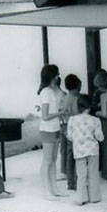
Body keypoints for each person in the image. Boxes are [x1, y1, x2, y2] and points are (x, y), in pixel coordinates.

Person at [37, 64, 69, 200]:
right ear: (52, 76)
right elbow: (44, 116)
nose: (58, 77)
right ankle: (46, 191)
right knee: (47, 160)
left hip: (55, 128)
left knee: (53, 160)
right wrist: (59, 113)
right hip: (47, 129)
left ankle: (54, 189)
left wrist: (59, 113)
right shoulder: (46, 92)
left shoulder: (51, 91)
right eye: (56, 74)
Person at [67, 94, 104, 205]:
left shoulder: (72, 119)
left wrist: (78, 140)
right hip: (92, 150)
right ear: (90, 106)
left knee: (81, 174)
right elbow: (99, 137)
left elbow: (69, 136)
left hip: (79, 150)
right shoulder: (96, 120)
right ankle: (94, 197)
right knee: (93, 173)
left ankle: (81, 198)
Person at [61, 74, 82, 191]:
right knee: (80, 155)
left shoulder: (65, 98)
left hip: (68, 128)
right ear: (79, 85)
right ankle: (80, 179)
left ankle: (71, 183)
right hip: (79, 129)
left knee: (70, 156)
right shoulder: (79, 98)